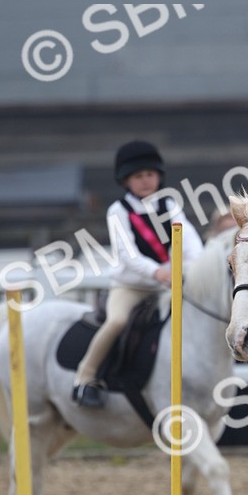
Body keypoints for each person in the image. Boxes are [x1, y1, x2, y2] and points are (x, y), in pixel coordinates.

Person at [72, 139, 202, 408]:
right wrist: (158, 272)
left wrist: (190, 269)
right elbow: (128, 256)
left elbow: (191, 244)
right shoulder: (118, 211)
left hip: (168, 286)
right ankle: (85, 379)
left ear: (159, 176)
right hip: (131, 287)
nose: (145, 181)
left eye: (150, 175)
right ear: (126, 180)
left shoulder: (170, 206)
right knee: (117, 321)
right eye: (139, 176)